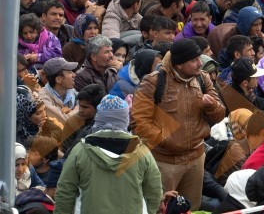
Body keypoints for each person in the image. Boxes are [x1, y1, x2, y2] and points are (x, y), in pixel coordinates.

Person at [132, 38, 225, 210]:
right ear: (179, 65)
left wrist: (211, 105)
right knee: (162, 208)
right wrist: (167, 139)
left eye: (199, 58)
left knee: (191, 208)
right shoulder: (153, 82)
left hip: (195, 159)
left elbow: (220, 115)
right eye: (194, 60)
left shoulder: (203, 79)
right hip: (164, 162)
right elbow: (139, 122)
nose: (199, 63)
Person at [53, 94, 164, 213]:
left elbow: (65, 193)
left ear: (99, 118)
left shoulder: (80, 151)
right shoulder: (142, 153)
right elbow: (154, 193)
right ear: (125, 119)